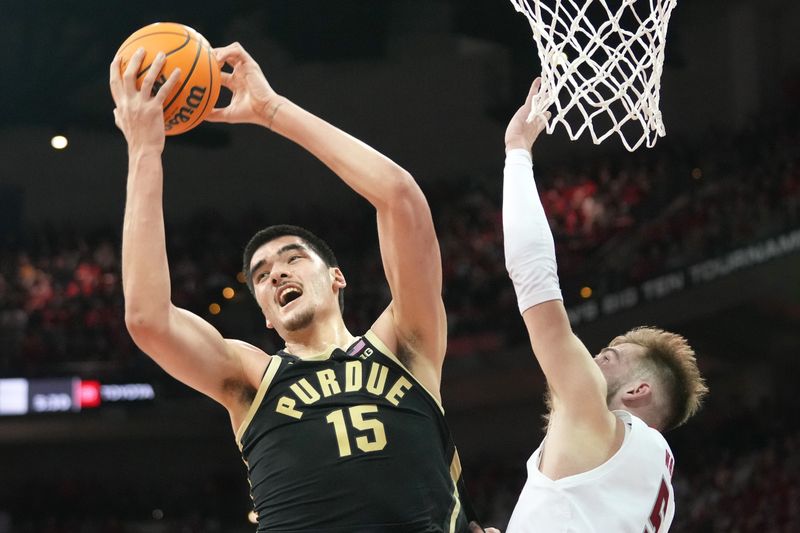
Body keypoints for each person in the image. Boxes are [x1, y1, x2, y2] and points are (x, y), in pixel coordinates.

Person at [110, 43, 477, 532]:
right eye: (261, 275)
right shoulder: (251, 377)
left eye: (293, 259)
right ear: (264, 311)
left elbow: (400, 198)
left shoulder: (406, 344)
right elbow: (147, 319)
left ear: (336, 277)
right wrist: (144, 149)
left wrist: (272, 111)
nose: (277, 273)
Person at [500, 79, 709, 532]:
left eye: (607, 358)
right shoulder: (659, 489)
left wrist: (517, 151)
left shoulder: (596, 423)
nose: (590, 361)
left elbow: (534, 277)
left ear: (637, 391)